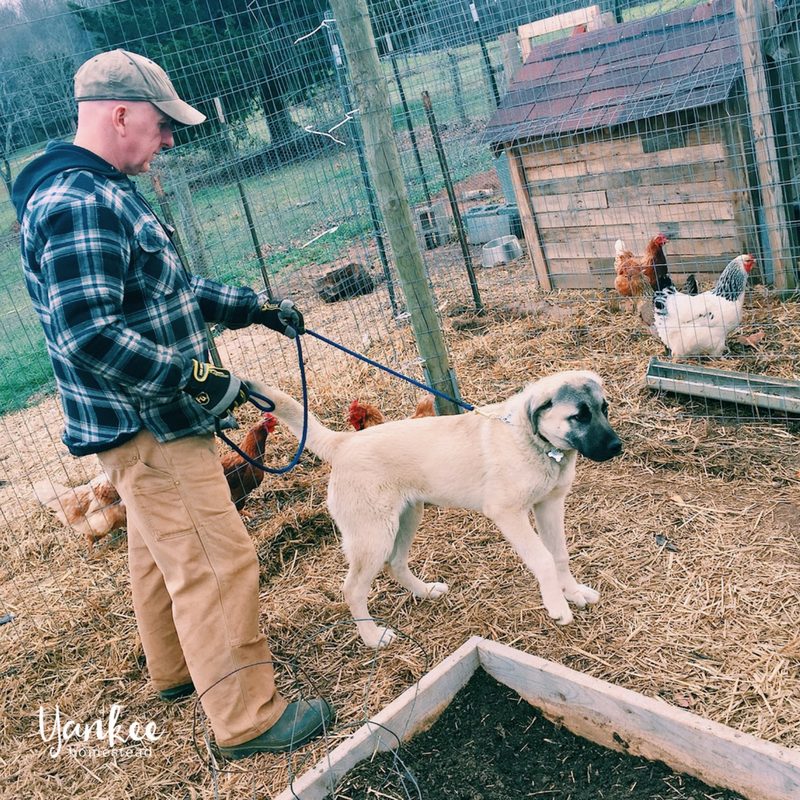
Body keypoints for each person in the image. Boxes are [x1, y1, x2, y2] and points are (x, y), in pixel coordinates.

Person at [12, 49, 334, 760]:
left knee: (161, 551)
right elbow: (88, 334)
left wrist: (252, 308)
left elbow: (163, 289)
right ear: (120, 113)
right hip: (152, 424)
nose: (168, 141)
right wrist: (198, 382)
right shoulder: (77, 203)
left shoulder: (101, 190)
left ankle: (177, 669)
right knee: (217, 563)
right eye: (160, 126)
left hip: (140, 425)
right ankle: (248, 716)